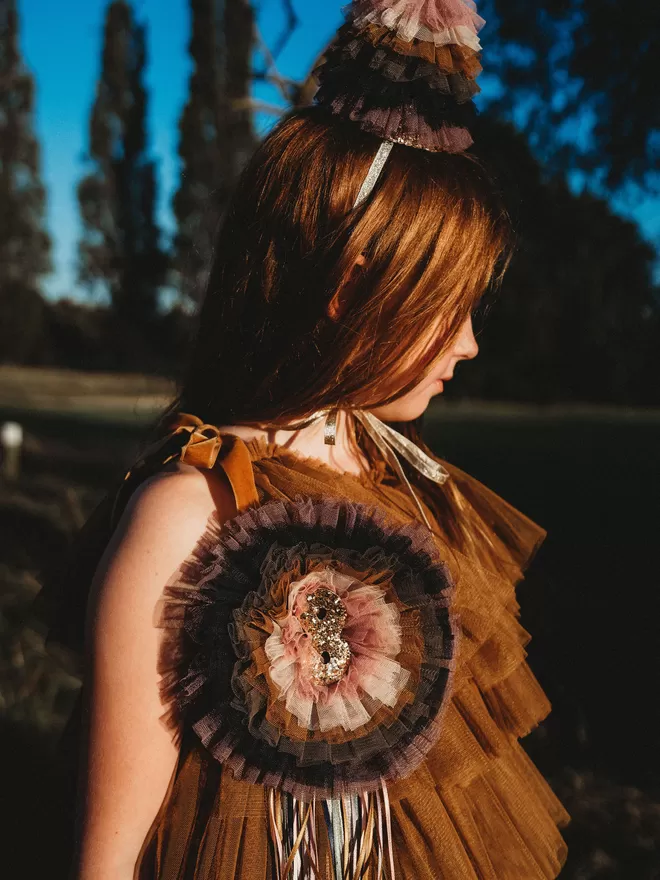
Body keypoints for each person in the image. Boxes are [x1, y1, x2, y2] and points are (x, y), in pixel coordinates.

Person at [40, 1, 570, 877]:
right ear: (350, 284)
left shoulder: (399, 476)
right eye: (450, 304)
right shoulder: (189, 517)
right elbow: (108, 860)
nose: (470, 343)